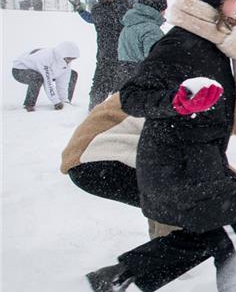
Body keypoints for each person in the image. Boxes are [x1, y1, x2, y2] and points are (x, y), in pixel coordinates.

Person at [83, 0, 236, 292]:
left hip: (195, 159)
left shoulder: (214, 42)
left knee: (211, 236)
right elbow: (133, 96)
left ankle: (115, 279)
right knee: (234, 233)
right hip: (177, 163)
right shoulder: (180, 44)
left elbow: (207, 98)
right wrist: (176, 103)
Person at [60, 92, 178, 240]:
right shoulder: (189, 91)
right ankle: (166, 252)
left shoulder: (171, 80)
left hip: (90, 157)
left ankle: (165, 249)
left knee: (170, 200)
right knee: (180, 197)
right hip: (98, 156)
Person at [74, 0, 131, 109]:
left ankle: (121, 114)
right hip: (104, 56)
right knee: (99, 87)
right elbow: (91, 19)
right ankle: (93, 112)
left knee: (123, 87)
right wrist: (80, 9)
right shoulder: (98, 9)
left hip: (124, 55)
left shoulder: (126, 6)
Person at [117, 0, 168, 77]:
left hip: (125, 78)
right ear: (158, 9)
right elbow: (156, 62)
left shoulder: (127, 26)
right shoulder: (151, 30)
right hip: (144, 81)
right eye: (164, 9)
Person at [11, 41, 79, 111]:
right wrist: (56, 102)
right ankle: (29, 105)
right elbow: (48, 82)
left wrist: (63, 100)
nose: (70, 61)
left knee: (72, 74)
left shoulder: (65, 61)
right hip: (20, 69)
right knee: (37, 78)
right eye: (68, 58)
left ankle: (66, 103)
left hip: (43, 71)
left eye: (72, 59)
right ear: (61, 54)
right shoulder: (46, 58)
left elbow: (63, 82)